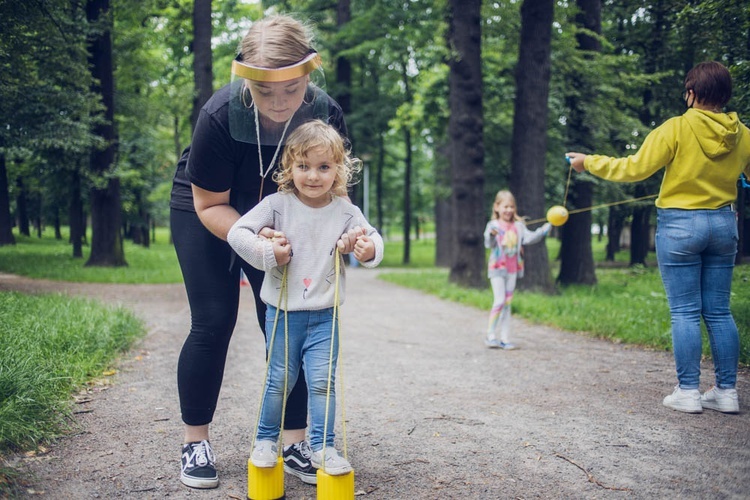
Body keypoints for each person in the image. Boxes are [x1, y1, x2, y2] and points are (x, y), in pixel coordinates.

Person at [169, 15, 357, 489]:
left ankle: (293, 442)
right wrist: (256, 240)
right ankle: (196, 442)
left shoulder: (326, 112)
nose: (277, 104)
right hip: (208, 210)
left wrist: (349, 232)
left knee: (289, 322)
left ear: (309, 76)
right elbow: (209, 203)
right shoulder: (217, 115)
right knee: (212, 321)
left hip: (284, 216)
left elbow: (335, 189)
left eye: (291, 90)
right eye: (264, 91)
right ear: (246, 80)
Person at [567, 61, 750, 414]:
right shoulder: (743, 135)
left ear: (692, 93)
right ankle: (726, 392)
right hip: (725, 225)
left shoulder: (676, 128)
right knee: (718, 311)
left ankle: (688, 392)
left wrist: (587, 162)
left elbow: (633, 168)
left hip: (681, 226)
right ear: (725, 96)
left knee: (684, 311)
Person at [227, 120, 384, 476]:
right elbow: (238, 232)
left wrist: (366, 247)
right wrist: (267, 254)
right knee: (279, 378)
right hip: (283, 313)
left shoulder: (345, 211)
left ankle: (323, 447)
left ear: (339, 170)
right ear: (289, 167)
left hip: (326, 315)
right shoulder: (276, 205)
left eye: (324, 167)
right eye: (303, 166)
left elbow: (373, 239)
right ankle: (266, 440)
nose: (313, 176)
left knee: (322, 383)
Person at [483, 190, 551, 350]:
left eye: (512, 207)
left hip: (512, 270)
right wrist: (492, 236)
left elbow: (529, 238)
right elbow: (488, 243)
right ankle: (490, 335)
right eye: (505, 206)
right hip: (497, 269)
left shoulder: (518, 226)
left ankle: (505, 338)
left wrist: (544, 230)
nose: (509, 210)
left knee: (507, 303)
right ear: (497, 207)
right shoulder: (493, 226)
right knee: (499, 301)